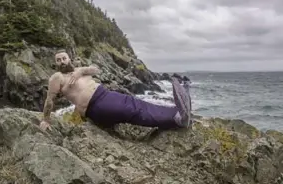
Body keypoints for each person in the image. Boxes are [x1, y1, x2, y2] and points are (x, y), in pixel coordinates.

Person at [39, 50, 192, 131]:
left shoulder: (78, 70)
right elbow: (49, 100)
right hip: (95, 106)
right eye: (58, 60)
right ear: (56, 64)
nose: (62, 61)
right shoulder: (57, 77)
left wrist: (81, 71)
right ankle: (176, 120)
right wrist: (46, 120)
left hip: (105, 95)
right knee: (133, 110)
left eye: (64, 58)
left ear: (69, 58)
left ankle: (174, 112)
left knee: (136, 103)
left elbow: (96, 70)